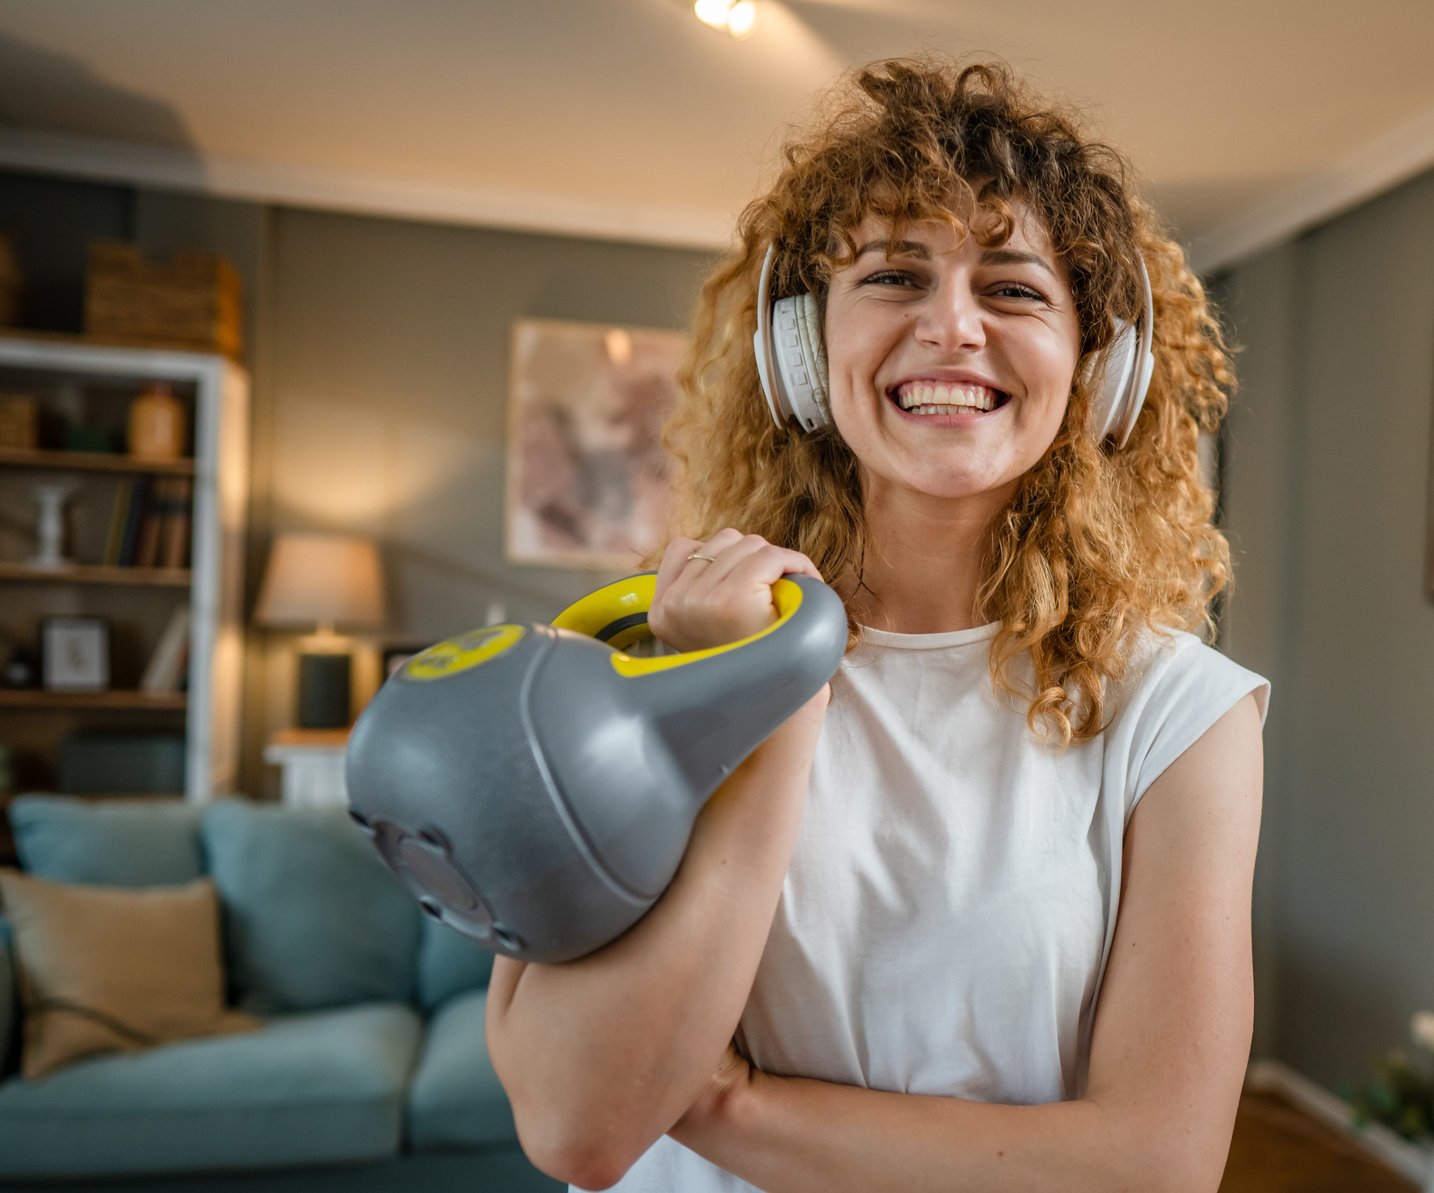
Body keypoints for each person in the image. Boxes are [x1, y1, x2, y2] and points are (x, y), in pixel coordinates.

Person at [485, 57, 1268, 1193]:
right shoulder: (661, 651)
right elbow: (575, 1118)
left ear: (1095, 369)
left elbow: (1152, 1166)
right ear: (802, 352)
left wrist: (719, 1099)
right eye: (896, 276)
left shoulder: (1178, 713)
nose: (952, 327)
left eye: (1011, 289)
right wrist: (764, 698)